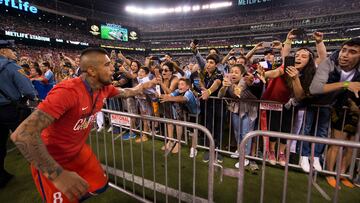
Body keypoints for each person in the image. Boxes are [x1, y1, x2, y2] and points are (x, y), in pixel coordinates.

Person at [10, 47, 146, 202]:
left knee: (98, 186)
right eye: (107, 65)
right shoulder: (67, 91)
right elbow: (22, 135)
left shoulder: (105, 88)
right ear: (92, 71)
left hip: (79, 152)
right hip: (53, 159)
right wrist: (57, 175)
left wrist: (141, 87)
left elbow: (125, 92)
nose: (113, 68)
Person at [309, 38, 360, 188]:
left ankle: (343, 174)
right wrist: (346, 84)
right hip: (338, 107)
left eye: (352, 52)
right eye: (344, 50)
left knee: (351, 145)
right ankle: (330, 173)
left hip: (355, 109)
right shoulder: (330, 63)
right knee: (337, 142)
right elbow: (315, 88)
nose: (345, 55)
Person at [0, 40, 36, 188]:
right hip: (12, 110)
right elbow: (28, 90)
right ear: (3, 51)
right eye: (10, 49)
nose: (13, 52)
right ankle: (42, 173)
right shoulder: (11, 67)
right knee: (29, 142)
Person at [159, 78, 200, 156]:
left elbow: (182, 98)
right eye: (178, 84)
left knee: (193, 131)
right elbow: (169, 94)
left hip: (195, 113)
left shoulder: (189, 93)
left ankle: (193, 148)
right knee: (188, 130)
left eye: (182, 84)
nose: (179, 86)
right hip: (187, 112)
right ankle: (180, 143)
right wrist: (160, 94)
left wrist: (169, 98)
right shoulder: (178, 90)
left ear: (188, 86)